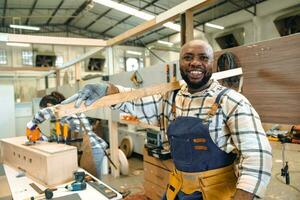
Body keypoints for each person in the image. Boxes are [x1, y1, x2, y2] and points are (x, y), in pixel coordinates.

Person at [62, 40, 272, 199]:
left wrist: (243, 196)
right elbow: (134, 101)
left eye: (203, 58)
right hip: (178, 188)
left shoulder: (232, 101)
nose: (195, 63)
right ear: (180, 62)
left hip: (218, 192)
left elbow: (257, 157)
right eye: (188, 57)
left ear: (212, 64)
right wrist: (108, 90)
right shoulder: (171, 97)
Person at [26, 91, 108, 179]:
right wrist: (42, 138)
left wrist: (32, 124)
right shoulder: (64, 117)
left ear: (49, 105)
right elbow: (63, 138)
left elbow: (43, 113)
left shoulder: (67, 112)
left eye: (43, 108)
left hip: (93, 149)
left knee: (93, 180)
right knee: (86, 178)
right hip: (86, 148)